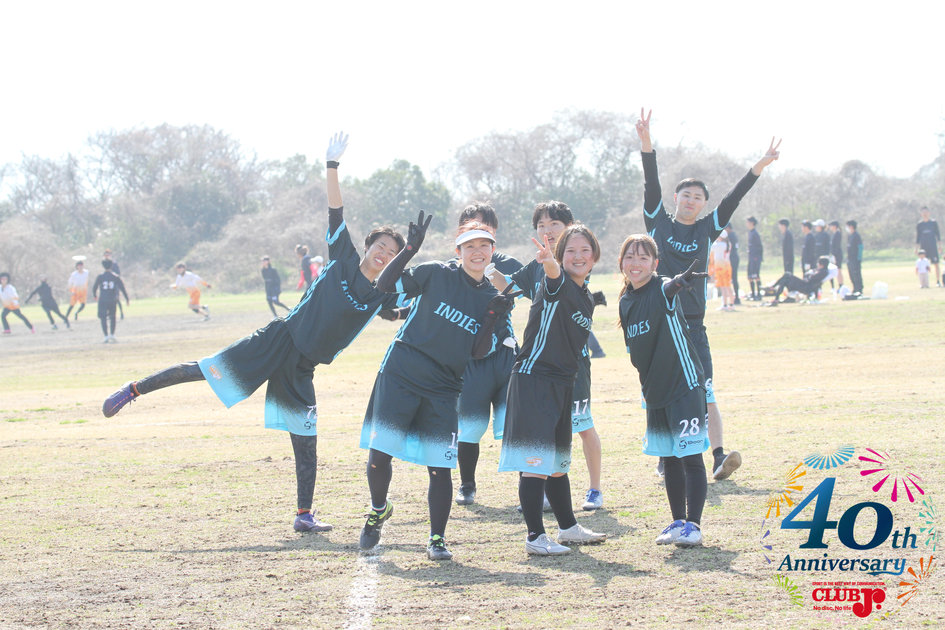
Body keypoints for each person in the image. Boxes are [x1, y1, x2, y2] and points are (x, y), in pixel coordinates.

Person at [102, 132, 409, 534]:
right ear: (368, 246)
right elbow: (336, 208)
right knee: (204, 370)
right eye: (380, 246)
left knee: (306, 437)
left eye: (392, 252)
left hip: (303, 367)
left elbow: (396, 311)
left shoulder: (383, 292)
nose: (384, 254)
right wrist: (332, 165)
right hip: (277, 341)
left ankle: (304, 515)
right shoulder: (342, 257)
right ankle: (133, 390)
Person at [636, 108, 780, 481]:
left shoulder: (707, 229)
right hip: (660, 323)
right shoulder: (658, 222)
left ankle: (717, 457)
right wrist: (647, 144)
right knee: (661, 391)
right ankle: (665, 457)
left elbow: (734, 198)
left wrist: (759, 166)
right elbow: (651, 183)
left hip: (694, 325)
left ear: (703, 203)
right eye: (686, 195)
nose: (691, 200)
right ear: (676, 197)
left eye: (698, 197)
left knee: (706, 391)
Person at [358, 216, 503, 561]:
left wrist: (493, 317)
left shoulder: (491, 296)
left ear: (492, 251)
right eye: (470, 246)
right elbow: (385, 286)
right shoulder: (436, 272)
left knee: (440, 467)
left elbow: (477, 352)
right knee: (379, 457)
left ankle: (437, 539)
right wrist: (409, 249)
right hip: (401, 374)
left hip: (444, 387)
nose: (477, 251)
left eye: (484, 245)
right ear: (459, 251)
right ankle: (379, 509)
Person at [497, 225, 607, 555]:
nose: (578, 256)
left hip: (563, 383)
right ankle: (535, 537)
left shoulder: (586, 296)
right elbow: (554, 276)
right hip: (535, 379)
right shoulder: (554, 283)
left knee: (558, 463)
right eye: (570, 251)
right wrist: (549, 262)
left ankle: (568, 528)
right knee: (536, 463)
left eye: (584, 250)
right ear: (560, 256)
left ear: (594, 257)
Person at [618, 234, 709, 547]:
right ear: (621, 262)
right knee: (669, 459)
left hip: (684, 386)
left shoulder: (662, 287)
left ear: (654, 263)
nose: (636, 263)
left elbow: (670, 287)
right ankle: (677, 521)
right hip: (654, 391)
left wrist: (679, 282)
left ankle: (694, 525)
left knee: (691, 458)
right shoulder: (625, 302)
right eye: (630, 256)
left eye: (644, 257)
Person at [451, 203, 523, 507]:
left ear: (494, 234)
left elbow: (522, 292)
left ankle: (529, 487)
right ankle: (467, 484)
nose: (477, 238)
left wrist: (496, 276)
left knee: (515, 424)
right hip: (471, 361)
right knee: (470, 426)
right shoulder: (453, 269)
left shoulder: (507, 264)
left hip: (505, 356)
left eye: (484, 230)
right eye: (470, 230)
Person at [92, 260, 130, 343]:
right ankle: (112, 334)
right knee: (113, 317)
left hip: (103, 299)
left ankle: (106, 335)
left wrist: (95, 295)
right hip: (112, 299)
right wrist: (127, 298)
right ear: (111, 266)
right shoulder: (115, 276)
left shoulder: (100, 277)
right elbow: (122, 288)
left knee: (103, 318)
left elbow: (94, 288)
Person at [766, 256, 830, 305]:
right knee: (785, 279)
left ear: (821, 264)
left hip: (806, 287)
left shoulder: (823, 272)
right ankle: (776, 296)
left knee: (787, 275)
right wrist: (810, 273)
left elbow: (810, 278)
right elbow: (808, 275)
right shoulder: (819, 270)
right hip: (805, 285)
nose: (817, 264)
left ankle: (773, 288)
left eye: (818, 263)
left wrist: (809, 273)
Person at [709, 231, 735, 310]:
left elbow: (710, 247)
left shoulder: (718, 245)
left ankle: (724, 305)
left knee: (723, 287)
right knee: (728, 286)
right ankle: (731, 304)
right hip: (727, 267)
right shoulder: (728, 244)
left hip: (720, 268)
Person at [916, 207, 941, 287]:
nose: (925, 214)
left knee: (936, 264)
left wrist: (939, 246)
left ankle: (938, 281)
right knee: (923, 265)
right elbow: (918, 237)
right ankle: (924, 283)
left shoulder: (933, 223)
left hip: (933, 246)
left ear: (929, 213)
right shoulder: (920, 224)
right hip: (924, 247)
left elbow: (938, 235)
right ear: (921, 214)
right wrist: (916, 248)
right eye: (923, 212)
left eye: (926, 212)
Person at [103, 249, 125, 320]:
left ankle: (121, 312)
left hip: (114, 284)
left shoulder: (114, 263)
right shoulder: (104, 263)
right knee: (107, 299)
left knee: (116, 299)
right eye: (105, 255)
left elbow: (118, 273)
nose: (106, 256)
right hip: (107, 284)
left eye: (108, 254)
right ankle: (108, 314)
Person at [745, 216, 763, 300]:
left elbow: (759, 247)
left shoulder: (755, 234)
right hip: (751, 257)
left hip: (755, 258)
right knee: (750, 276)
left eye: (748, 222)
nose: (747, 224)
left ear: (752, 223)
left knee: (756, 276)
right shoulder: (750, 233)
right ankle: (753, 294)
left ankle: (759, 294)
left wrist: (758, 258)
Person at [723, 224, 741, 305]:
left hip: (732, 258)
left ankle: (735, 297)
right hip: (734, 257)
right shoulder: (733, 235)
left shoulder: (730, 236)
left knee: (732, 278)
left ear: (728, 228)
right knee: (734, 278)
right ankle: (735, 297)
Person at [846, 220, 864, 296]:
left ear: (851, 226)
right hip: (850, 259)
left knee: (857, 275)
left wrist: (859, 258)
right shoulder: (850, 236)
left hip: (855, 259)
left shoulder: (856, 236)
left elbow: (860, 247)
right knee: (852, 275)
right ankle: (854, 288)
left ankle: (859, 289)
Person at [828, 221, 844, 288]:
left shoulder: (837, 233)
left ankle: (841, 285)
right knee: (837, 270)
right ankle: (840, 285)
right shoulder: (835, 233)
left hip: (837, 255)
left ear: (834, 226)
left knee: (838, 270)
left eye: (831, 226)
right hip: (835, 254)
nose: (830, 227)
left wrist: (834, 255)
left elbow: (836, 246)